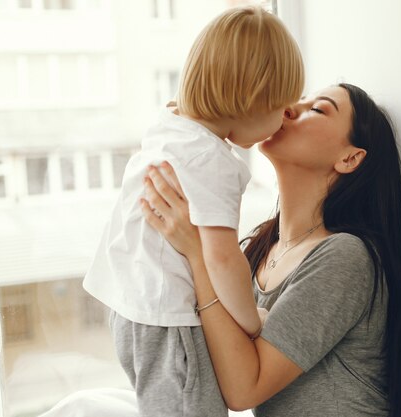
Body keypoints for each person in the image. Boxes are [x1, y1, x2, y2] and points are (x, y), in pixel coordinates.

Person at [140, 83, 401, 416]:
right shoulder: (259, 249)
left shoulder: (346, 256)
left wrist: (198, 254)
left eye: (317, 109)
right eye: (297, 101)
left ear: (349, 157)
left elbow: (245, 388)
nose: (288, 109)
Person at [80, 6, 304, 417]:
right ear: (253, 100)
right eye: (283, 105)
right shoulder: (211, 160)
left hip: (129, 309)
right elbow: (221, 257)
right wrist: (251, 321)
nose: (286, 117)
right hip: (166, 318)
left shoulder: (171, 125)